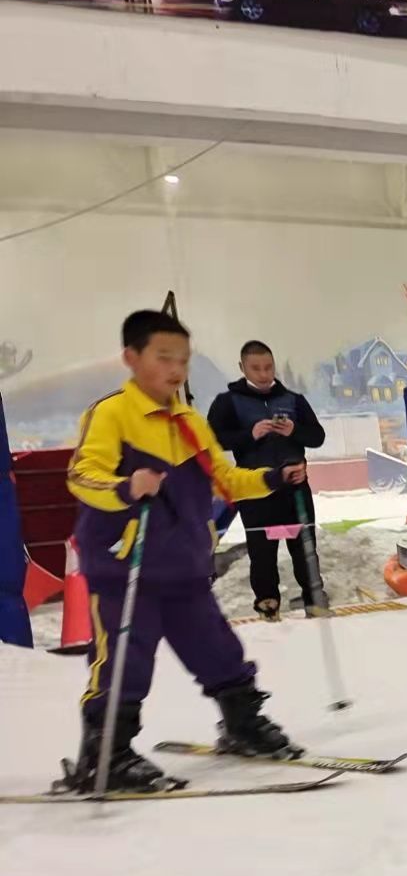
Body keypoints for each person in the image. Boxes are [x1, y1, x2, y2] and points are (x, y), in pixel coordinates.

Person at [59, 311, 305, 793]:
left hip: (186, 566)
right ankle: (105, 754)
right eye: (163, 357)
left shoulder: (189, 421)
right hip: (126, 567)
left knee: (218, 650)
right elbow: (81, 476)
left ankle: (242, 723)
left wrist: (273, 478)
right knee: (124, 661)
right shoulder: (111, 414)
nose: (175, 369)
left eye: (183, 360)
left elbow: (226, 481)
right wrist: (128, 486)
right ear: (132, 358)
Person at [207, 341, 327, 621]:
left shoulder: (294, 399)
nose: (263, 374)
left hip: (295, 488)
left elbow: (317, 437)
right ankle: (267, 605)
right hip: (255, 491)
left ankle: (315, 601)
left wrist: (294, 430)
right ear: (242, 368)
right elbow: (211, 440)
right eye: (256, 368)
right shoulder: (227, 401)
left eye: (268, 367)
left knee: (305, 548)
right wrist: (250, 434)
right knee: (261, 552)